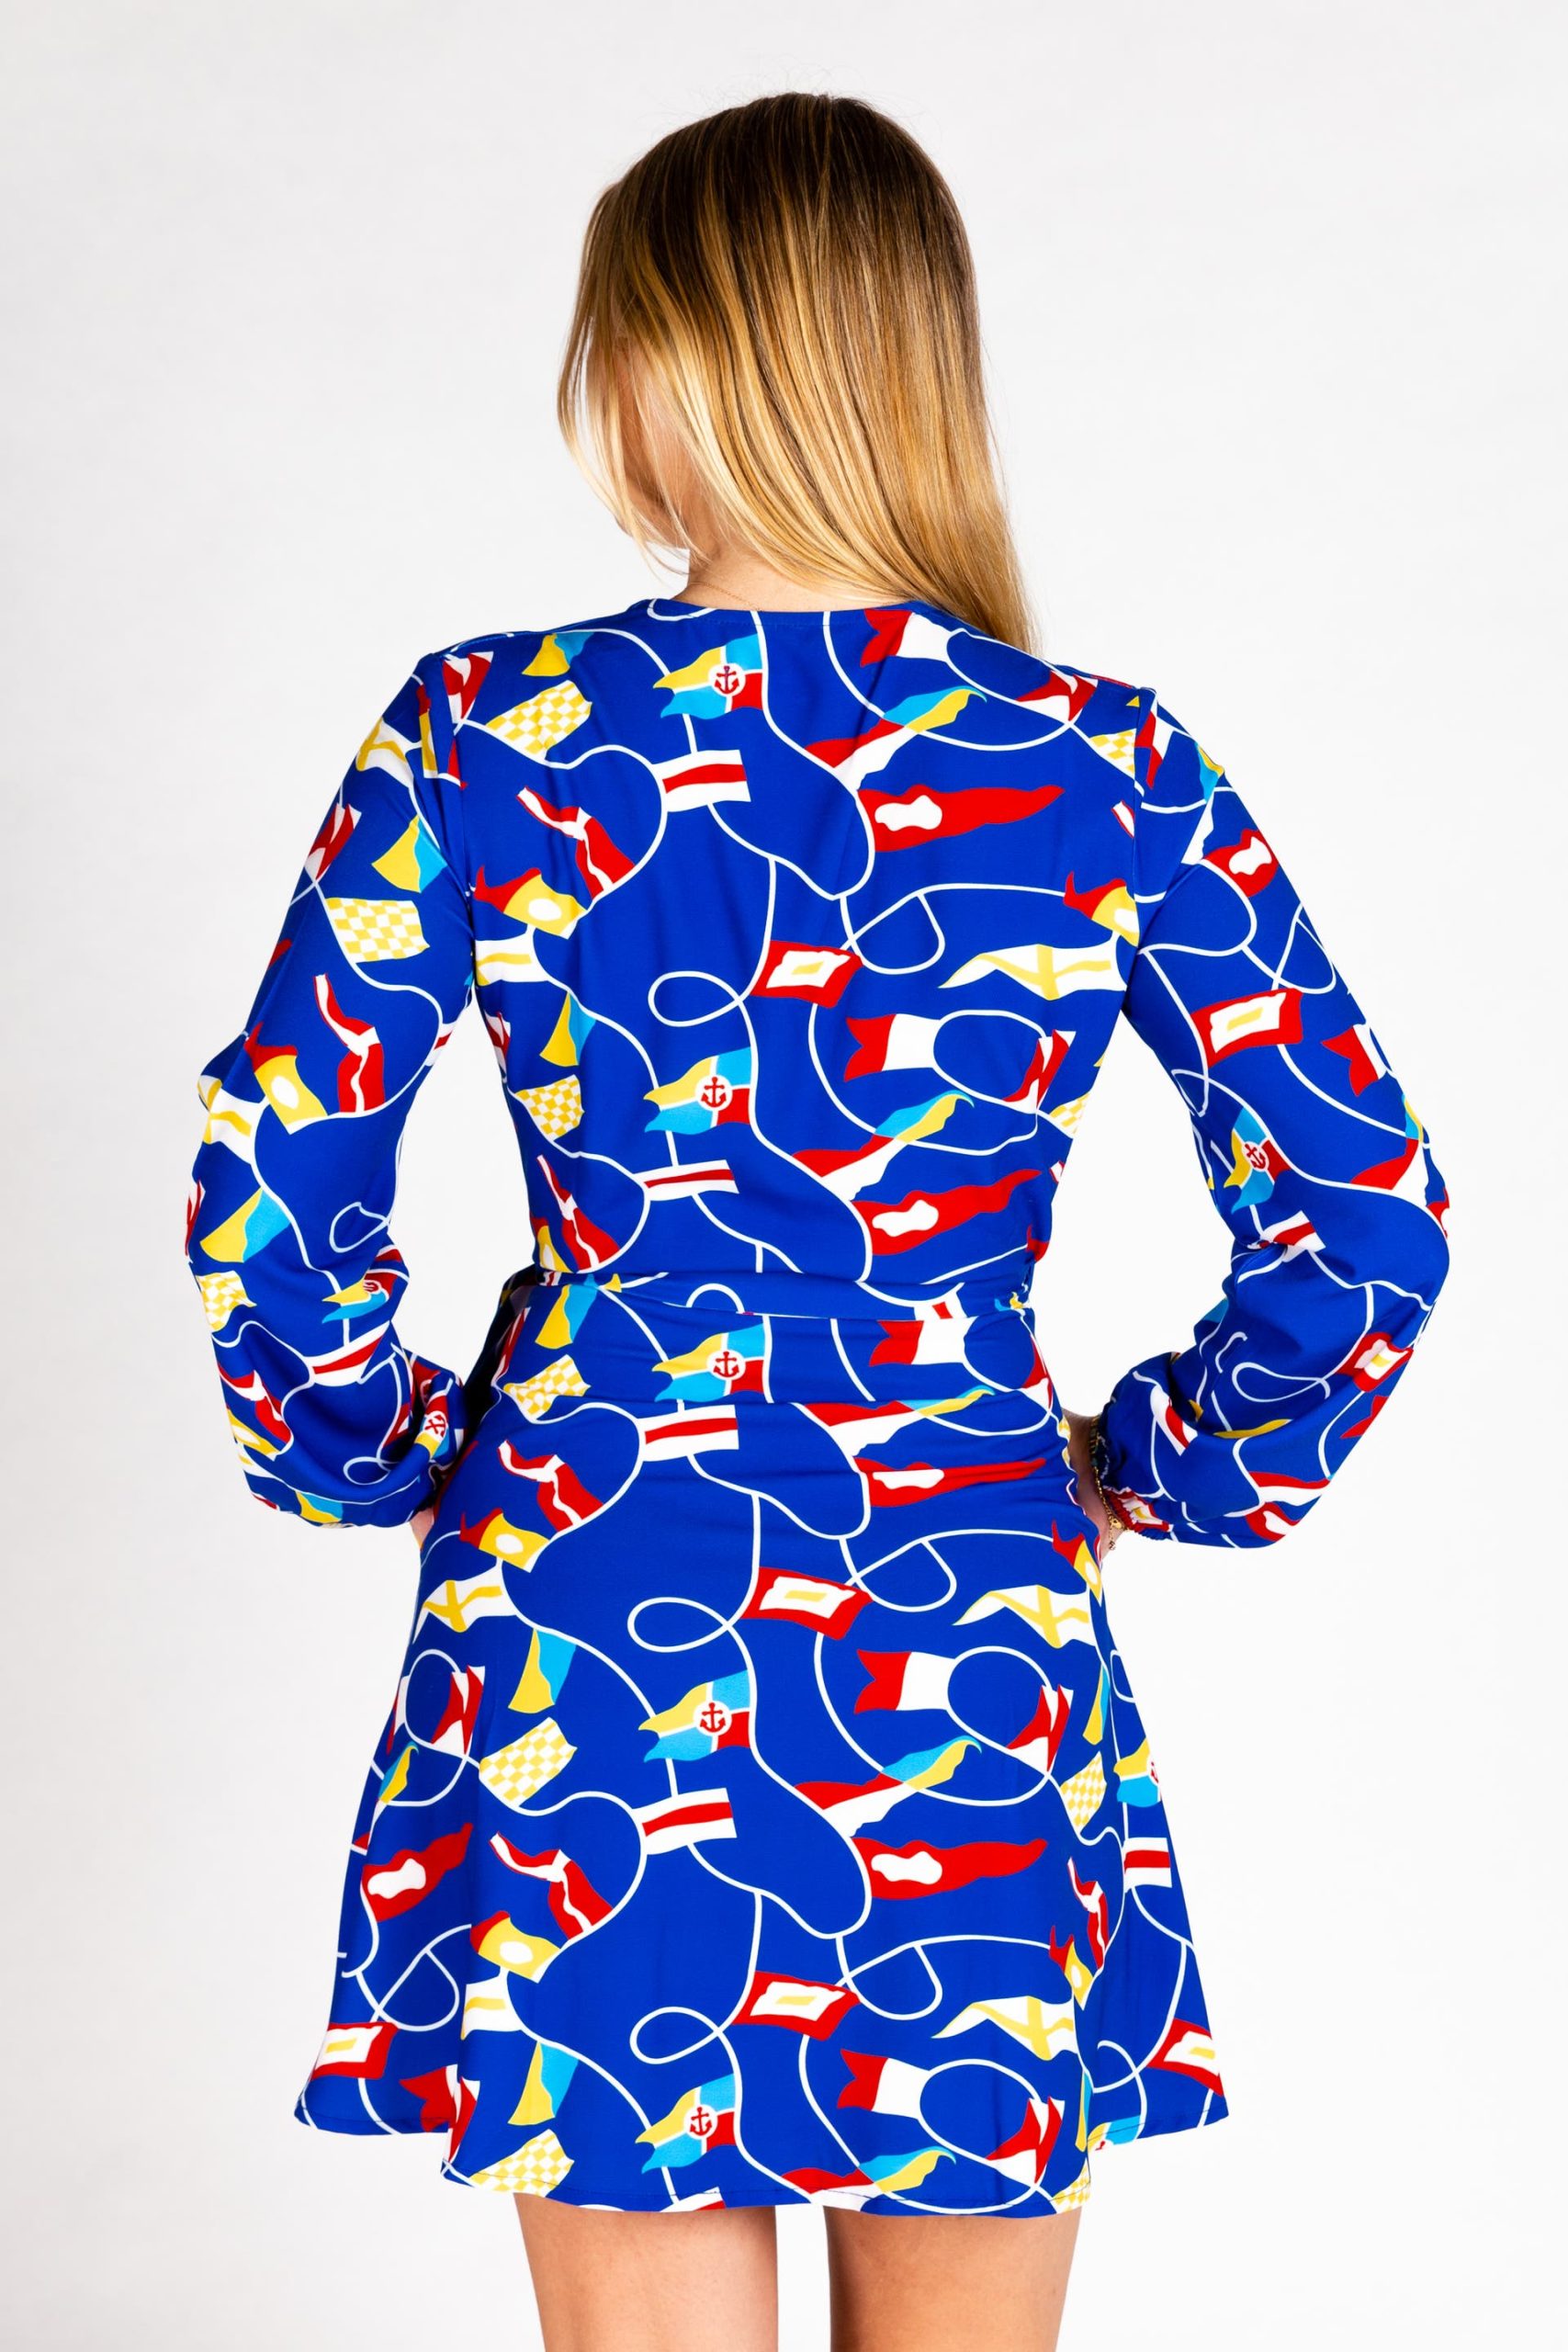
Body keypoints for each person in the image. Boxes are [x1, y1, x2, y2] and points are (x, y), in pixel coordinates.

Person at [181, 90, 1450, 2352]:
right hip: (960, 1609)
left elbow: (279, 1177)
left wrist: (393, 1449)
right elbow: (1363, 1227)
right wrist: (1151, 1468)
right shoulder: (1102, 764)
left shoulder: (481, 731)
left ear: (678, 354)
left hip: (595, 1619)